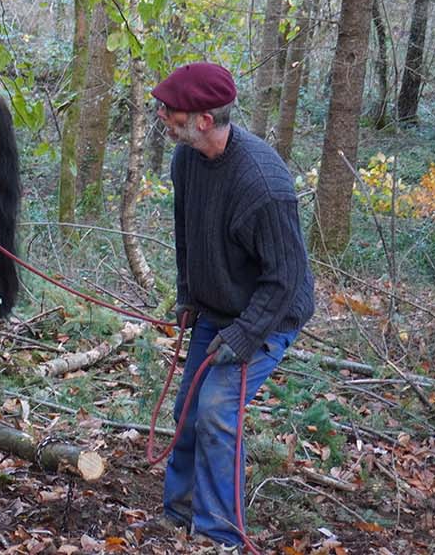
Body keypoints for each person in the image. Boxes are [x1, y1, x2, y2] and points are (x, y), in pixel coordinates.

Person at [152, 62, 316, 551]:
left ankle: (219, 534)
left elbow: (285, 281)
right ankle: (178, 512)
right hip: (216, 310)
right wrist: (187, 295)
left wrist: (245, 337)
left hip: (269, 315)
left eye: (170, 109)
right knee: (188, 409)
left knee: (219, 410)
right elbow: (186, 236)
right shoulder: (186, 161)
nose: (162, 115)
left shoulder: (262, 184)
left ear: (203, 118)